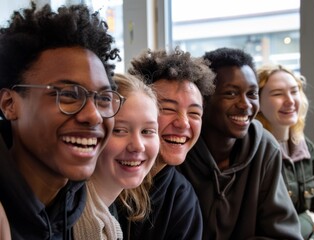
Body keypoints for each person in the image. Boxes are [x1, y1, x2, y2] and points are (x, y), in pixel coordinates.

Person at [0, 3, 121, 239]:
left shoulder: (94, 215)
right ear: (9, 105)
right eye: (68, 95)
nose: (94, 115)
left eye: (104, 98)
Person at [177, 47, 302, 240]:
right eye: (231, 93)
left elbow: (284, 235)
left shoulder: (264, 148)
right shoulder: (178, 149)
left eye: (252, 94)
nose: (245, 104)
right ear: (203, 99)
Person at [115, 47, 216, 240]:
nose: (183, 123)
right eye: (167, 108)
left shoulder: (181, 199)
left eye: (194, 113)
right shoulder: (101, 178)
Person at [256, 64, 314, 240]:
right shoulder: (254, 153)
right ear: (257, 102)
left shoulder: (306, 148)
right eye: (277, 93)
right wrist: (307, 221)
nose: (290, 100)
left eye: (294, 91)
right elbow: (265, 231)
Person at [74, 73, 160, 240]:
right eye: (119, 130)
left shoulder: (108, 215)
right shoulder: (65, 218)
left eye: (147, 131)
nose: (138, 146)